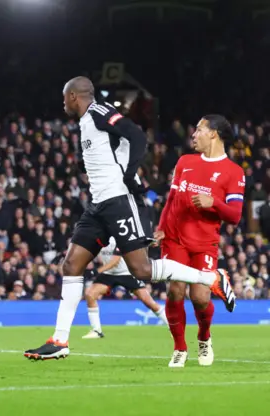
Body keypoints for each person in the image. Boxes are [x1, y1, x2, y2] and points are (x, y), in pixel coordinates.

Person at [24, 77, 235, 361]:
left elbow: (136, 135)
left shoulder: (99, 111)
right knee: (71, 264)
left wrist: (128, 173)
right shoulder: (86, 122)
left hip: (120, 201)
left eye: (65, 98)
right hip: (98, 205)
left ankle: (210, 277)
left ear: (74, 96)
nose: (63, 104)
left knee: (142, 270)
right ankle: (60, 340)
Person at [155, 115, 244, 368]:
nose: (194, 135)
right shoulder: (185, 162)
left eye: (199, 130)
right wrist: (161, 228)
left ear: (213, 134)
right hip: (174, 238)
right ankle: (179, 348)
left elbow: (235, 216)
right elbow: (171, 199)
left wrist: (214, 203)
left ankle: (204, 338)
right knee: (174, 289)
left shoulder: (233, 172)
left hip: (204, 242)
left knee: (201, 298)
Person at [82, 237, 167, 339]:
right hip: (108, 274)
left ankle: (171, 325)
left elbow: (116, 261)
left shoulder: (117, 238)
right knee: (90, 294)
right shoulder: (97, 240)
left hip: (127, 273)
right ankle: (96, 330)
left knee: (149, 302)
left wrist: (96, 271)